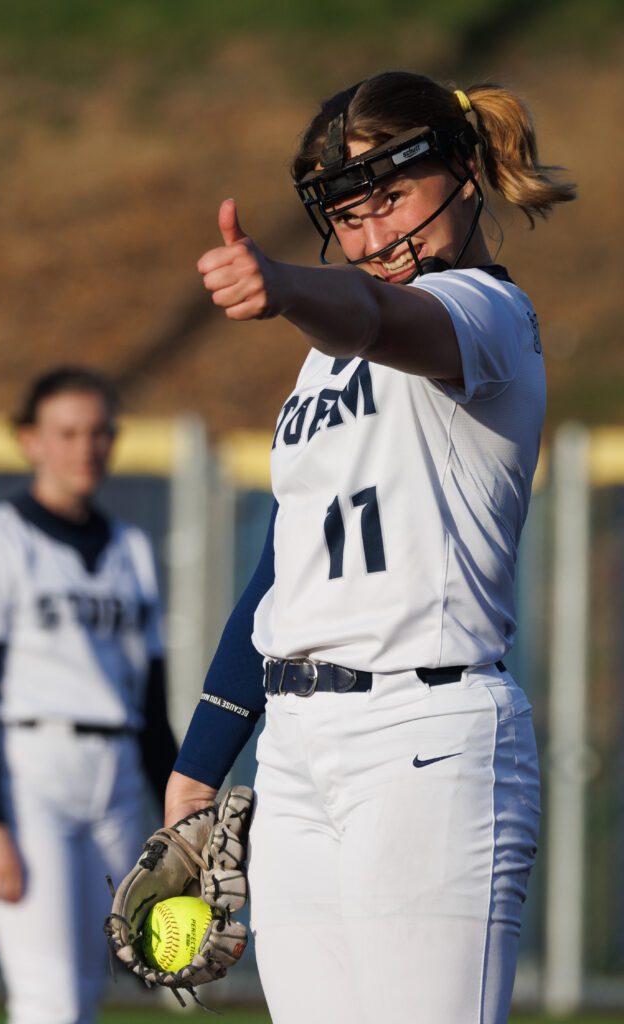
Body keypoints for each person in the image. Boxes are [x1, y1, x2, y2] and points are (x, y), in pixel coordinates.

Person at [165, 72, 577, 1023]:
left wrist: (282, 287)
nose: (375, 236)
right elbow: (285, 568)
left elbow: (386, 316)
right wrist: (199, 765)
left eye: (391, 197)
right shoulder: (324, 361)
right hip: (297, 750)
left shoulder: (487, 313)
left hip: (424, 742)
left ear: (465, 171)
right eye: (349, 217)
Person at [0, 367, 178, 1024]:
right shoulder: (3, 538)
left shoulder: (131, 546)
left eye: (100, 432)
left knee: (87, 991)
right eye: (66, 432)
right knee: (50, 999)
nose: (85, 448)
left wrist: (177, 813)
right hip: (31, 771)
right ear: (29, 440)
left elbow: (153, 700)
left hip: (120, 775)